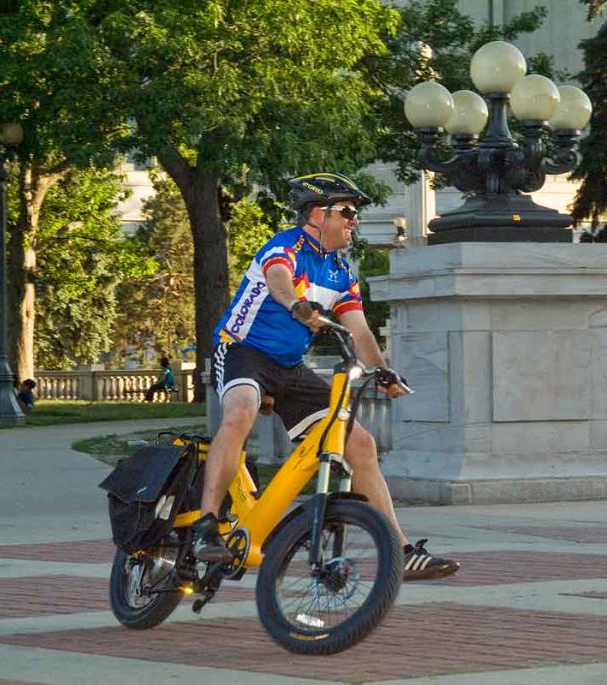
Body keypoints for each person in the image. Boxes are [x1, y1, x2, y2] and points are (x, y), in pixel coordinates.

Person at [192, 172, 459, 581]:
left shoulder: (339, 272)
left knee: (360, 443)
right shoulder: (286, 246)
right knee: (240, 412)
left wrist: (382, 370)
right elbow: (279, 282)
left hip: (288, 366)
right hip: (243, 350)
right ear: (318, 214)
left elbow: (360, 330)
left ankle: (400, 550)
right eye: (347, 211)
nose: (354, 220)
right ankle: (206, 526)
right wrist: (298, 307)